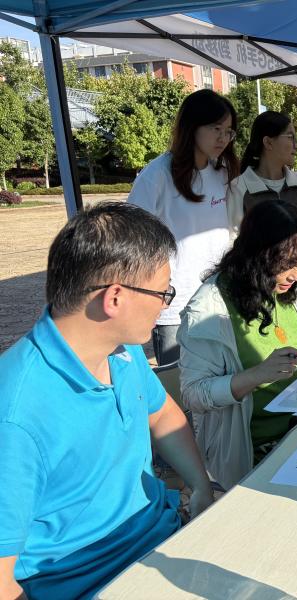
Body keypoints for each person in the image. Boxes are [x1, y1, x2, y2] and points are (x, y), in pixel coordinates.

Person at [0, 203, 213, 600]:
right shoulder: (15, 412)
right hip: (91, 583)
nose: (166, 304)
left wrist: (200, 485)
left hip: (161, 542)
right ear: (115, 297)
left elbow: (161, 415)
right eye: (162, 293)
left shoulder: (122, 350)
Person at [178, 200, 297, 490]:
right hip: (251, 450)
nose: (295, 274)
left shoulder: (288, 289)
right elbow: (194, 394)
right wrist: (257, 375)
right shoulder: (208, 309)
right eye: (286, 264)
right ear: (257, 254)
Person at [127, 89, 239, 365]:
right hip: (174, 306)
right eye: (216, 129)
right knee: (180, 383)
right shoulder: (157, 175)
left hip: (218, 299)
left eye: (228, 131)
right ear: (192, 127)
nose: (223, 138)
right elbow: (132, 238)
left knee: (220, 378)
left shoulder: (223, 173)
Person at [228, 111, 297, 288]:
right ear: (268, 142)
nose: (296, 146)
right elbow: (232, 245)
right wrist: (258, 285)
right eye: (290, 137)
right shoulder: (239, 188)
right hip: (258, 293)